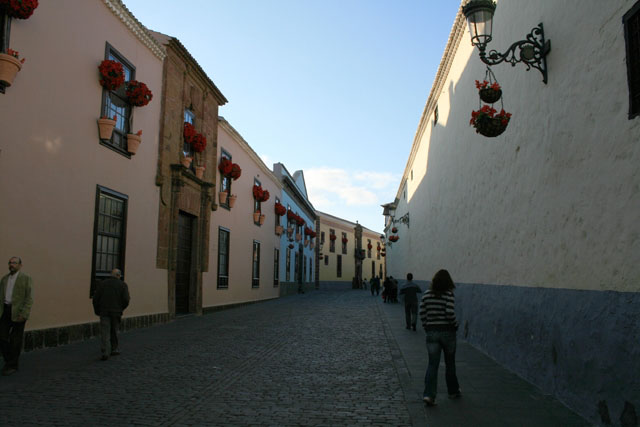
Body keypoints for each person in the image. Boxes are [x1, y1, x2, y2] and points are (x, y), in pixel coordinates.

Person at [419, 269, 461, 406]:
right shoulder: (449, 294)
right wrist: (455, 324)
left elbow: (422, 313)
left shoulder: (426, 295)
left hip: (432, 333)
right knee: (450, 363)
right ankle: (453, 391)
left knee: (432, 364)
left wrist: (427, 326)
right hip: (448, 333)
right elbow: (449, 313)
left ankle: (429, 395)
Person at [0, 257, 34, 376]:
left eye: (14, 263)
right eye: (9, 262)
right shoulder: (4, 279)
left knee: (15, 340)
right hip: (5, 310)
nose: (11, 265)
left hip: (18, 312)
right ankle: (9, 360)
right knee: (2, 337)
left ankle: (12, 365)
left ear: (20, 265)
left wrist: (24, 314)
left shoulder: (25, 279)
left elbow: (29, 298)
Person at [92, 268, 130, 361]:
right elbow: (126, 299)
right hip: (116, 312)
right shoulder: (123, 285)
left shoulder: (102, 284)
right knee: (114, 330)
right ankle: (113, 349)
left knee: (105, 331)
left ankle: (105, 351)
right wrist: (121, 308)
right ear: (118, 275)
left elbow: (95, 299)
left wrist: (97, 310)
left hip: (104, 311)